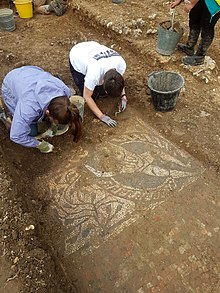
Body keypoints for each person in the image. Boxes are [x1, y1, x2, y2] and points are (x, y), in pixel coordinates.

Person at [0, 66, 82, 153]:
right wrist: (40, 145)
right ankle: (8, 119)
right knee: (32, 132)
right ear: (47, 112)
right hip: (10, 86)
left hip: (30, 73)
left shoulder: (65, 90)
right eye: (55, 121)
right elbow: (16, 136)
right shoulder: (29, 108)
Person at [69, 41, 127, 128]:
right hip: (77, 55)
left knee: (101, 92)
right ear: (103, 81)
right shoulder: (93, 74)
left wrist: (123, 96)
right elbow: (86, 96)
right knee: (92, 97)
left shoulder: (121, 64)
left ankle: (101, 90)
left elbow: (119, 80)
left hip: (93, 48)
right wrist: (102, 116)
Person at [171, 0, 220, 65]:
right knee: (194, 17)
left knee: (207, 24)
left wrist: (191, 4)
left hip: (216, 2)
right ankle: (190, 47)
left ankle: (200, 56)